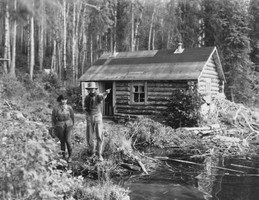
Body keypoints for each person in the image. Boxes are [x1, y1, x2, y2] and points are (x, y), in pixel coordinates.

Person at [84, 82, 111, 162]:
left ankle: (99, 154)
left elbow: (102, 96)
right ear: (88, 90)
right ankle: (92, 153)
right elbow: (85, 106)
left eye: (93, 89)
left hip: (97, 116)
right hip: (89, 116)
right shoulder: (87, 97)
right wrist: (86, 112)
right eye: (90, 89)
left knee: (99, 135)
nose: (91, 90)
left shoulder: (98, 96)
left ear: (95, 89)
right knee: (89, 136)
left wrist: (106, 92)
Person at [52, 94, 74, 162]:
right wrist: (56, 126)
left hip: (68, 124)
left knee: (68, 140)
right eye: (62, 99)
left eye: (65, 99)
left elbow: (72, 117)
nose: (64, 101)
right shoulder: (56, 108)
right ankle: (64, 156)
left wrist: (72, 125)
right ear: (60, 100)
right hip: (60, 125)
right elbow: (53, 118)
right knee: (62, 141)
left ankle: (70, 156)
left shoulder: (69, 108)